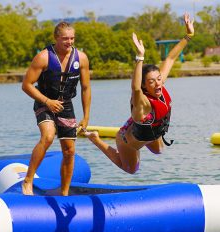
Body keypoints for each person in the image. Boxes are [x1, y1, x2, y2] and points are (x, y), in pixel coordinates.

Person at [82, 13, 194, 174]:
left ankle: (148, 138)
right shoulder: (142, 102)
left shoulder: (159, 86)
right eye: (151, 82)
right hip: (128, 141)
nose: (158, 84)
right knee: (131, 169)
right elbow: (135, 88)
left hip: (149, 131)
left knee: (158, 151)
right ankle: (95, 139)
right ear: (144, 85)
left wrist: (188, 35)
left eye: (159, 79)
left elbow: (170, 59)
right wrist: (140, 57)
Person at [21, 21, 91, 196]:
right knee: (48, 136)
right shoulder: (43, 57)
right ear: (56, 38)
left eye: (72, 38)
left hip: (66, 105)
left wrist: (86, 116)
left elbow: (86, 88)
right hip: (44, 102)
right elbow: (27, 85)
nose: (69, 42)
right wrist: (47, 101)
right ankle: (27, 181)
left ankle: (64, 192)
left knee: (69, 151)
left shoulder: (81, 58)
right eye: (65, 38)